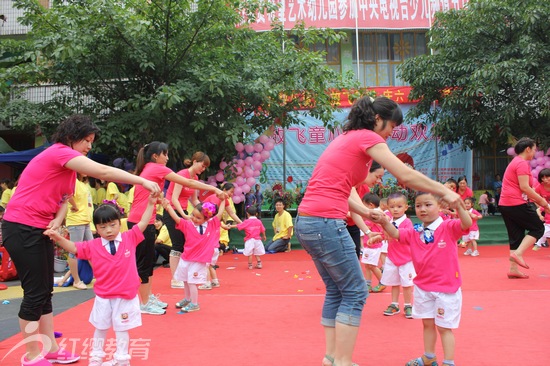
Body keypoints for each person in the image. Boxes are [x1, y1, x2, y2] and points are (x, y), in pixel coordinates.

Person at [294, 96, 463, 366]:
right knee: (355, 291)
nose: (391, 133)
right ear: (377, 120)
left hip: (308, 220)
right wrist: (443, 191)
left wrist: (364, 212)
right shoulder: (366, 137)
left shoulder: (345, 138)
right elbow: (405, 175)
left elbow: (335, 189)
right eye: (391, 127)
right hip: (325, 221)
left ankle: (332, 357)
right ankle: (343, 361)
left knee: (337, 291)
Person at [1, 114, 161, 366]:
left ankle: (51, 349)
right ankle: (32, 355)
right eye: (86, 141)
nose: (89, 147)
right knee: (34, 293)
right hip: (21, 227)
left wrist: (57, 219)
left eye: (91, 142)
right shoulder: (58, 153)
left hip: (41, 228)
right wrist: (142, 180)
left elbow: (65, 201)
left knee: (45, 292)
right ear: (70, 138)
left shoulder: (68, 169)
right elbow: (104, 171)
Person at [44, 195, 157, 366]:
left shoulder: (129, 238)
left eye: (113, 225)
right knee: (101, 328)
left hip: (126, 296)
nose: (109, 230)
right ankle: (96, 358)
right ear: (96, 228)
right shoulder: (93, 246)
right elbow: (74, 247)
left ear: (120, 223)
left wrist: (150, 204)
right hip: (104, 297)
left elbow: (142, 223)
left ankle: (121, 359)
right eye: (103, 227)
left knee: (122, 329)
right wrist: (58, 238)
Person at [376, 191, 472, 366]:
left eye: (428, 205)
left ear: (440, 207)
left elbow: (466, 223)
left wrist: (458, 205)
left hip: (446, 289)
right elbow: (396, 234)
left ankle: (448, 362)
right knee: (427, 324)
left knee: (444, 328)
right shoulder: (414, 231)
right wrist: (384, 221)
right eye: (419, 205)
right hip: (423, 287)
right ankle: (429, 356)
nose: (423, 209)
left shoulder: (448, 227)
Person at [128, 142, 224, 315]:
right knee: (145, 264)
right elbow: (185, 184)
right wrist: (212, 188)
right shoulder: (158, 168)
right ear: (156, 156)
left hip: (146, 220)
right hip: (140, 222)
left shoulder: (151, 169)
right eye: (165, 154)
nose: (168, 157)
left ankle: (147, 297)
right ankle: (144, 302)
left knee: (148, 264)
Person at [162, 199, 226, 313]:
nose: (194, 218)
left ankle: (194, 303)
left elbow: (220, 213)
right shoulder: (187, 224)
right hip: (186, 258)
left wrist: (223, 200)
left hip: (199, 261)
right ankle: (187, 299)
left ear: (206, 218)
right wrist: (168, 207)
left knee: (192, 282)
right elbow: (176, 218)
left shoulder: (212, 224)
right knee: (185, 280)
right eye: (193, 215)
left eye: (198, 217)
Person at [498, 137, 546, 279]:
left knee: (516, 235)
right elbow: (524, 187)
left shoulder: (515, 162)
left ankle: (513, 269)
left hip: (506, 204)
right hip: (515, 203)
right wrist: (544, 203)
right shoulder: (522, 163)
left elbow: (526, 189)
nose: (535, 152)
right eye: (534, 149)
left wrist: (540, 204)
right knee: (538, 228)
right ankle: (518, 254)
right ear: (528, 149)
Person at [164, 152, 210, 288]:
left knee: (185, 244)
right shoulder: (182, 174)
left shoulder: (195, 178)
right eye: (202, 165)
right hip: (172, 211)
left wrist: (206, 211)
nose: (203, 169)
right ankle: (175, 279)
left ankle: (185, 276)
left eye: (205, 168)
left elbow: (194, 200)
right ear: (195, 161)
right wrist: (183, 216)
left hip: (183, 212)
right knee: (177, 244)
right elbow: (174, 198)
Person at [379, 192, 415, 319]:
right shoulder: (387, 221)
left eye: (399, 206)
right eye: (392, 207)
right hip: (392, 258)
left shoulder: (407, 222)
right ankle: (394, 304)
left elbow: (405, 236)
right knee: (394, 283)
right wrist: (378, 237)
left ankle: (408, 305)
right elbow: (384, 236)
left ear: (406, 207)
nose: (395, 209)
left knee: (406, 284)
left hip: (406, 259)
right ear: (388, 207)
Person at [56, 173, 94, 290]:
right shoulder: (72, 181)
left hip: (85, 220)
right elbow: (67, 194)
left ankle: (102, 276)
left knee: (91, 250)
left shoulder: (82, 184)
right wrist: (75, 205)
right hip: (76, 221)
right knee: (74, 251)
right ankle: (76, 280)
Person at [347, 161, 385, 258]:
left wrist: (368, 232)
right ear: (367, 171)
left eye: (380, 178)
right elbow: (363, 212)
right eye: (377, 177)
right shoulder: (348, 184)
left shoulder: (362, 188)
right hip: (336, 225)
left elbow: (356, 211)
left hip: (353, 225)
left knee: (354, 257)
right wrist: (381, 218)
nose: (379, 181)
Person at [359, 193, 383, 293]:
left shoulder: (373, 215)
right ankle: (368, 283)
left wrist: (360, 219)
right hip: (369, 244)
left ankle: (383, 282)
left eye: (364, 205)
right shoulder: (375, 213)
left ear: (371, 205)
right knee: (367, 265)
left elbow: (367, 227)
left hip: (374, 245)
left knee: (371, 265)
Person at [231, 205, 266, 269]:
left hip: (249, 240)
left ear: (247, 213)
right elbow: (263, 229)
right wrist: (264, 236)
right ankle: (259, 263)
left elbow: (239, 225)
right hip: (257, 240)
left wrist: (230, 226)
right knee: (257, 252)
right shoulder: (259, 221)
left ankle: (250, 265)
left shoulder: (246, 221)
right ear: (256, 214)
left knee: (250, 253)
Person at [532, 168, 550, 251]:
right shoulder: (539, 187)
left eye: (547, 177)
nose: (545, 180)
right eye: (543, 178)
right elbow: (535, 198)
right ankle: (540, 242)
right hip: (545, 209)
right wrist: (540, 207)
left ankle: (539, 243)